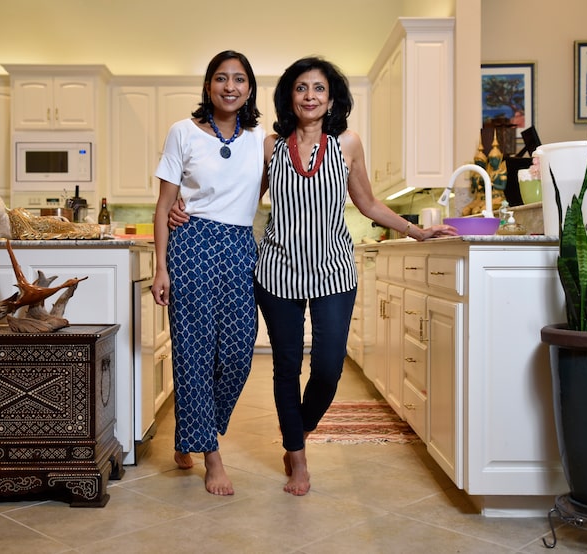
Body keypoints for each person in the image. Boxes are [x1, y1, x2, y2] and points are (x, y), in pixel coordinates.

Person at [171, 57, 457, 496]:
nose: (309, 96)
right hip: (277, 273)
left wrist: (418, 231)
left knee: (327, 367)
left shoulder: (348, 144)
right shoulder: (270, 146)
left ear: (331, 97)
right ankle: (297, 459)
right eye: (301, 88)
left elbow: (369, 203)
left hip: (333, 272)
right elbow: (235, 191)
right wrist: (183, 207)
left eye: (318, 88)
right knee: (285, 367)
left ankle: (297, 433)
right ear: (290, 96)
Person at [152, 50, 265, 496]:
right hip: (191, 244)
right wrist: (160, 267)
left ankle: (191, 431)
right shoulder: (182, 132)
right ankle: (210, 454)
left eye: (239, 79)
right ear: (208, 85)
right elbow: (163, 207)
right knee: (194, 353)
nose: (230, 87)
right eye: (221, 78)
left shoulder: (262, 140)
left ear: (250, 89)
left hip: (240, 247)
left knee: (238, 352)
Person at [0, 191, 101, 240]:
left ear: (0, 200)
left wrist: (52, 218)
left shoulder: (16, 212)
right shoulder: (0, 230)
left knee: (74, 228)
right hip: (44, 235)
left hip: (46, 226)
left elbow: (34, 220)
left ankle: (97, 228)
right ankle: (97, 228)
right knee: (72, 232)